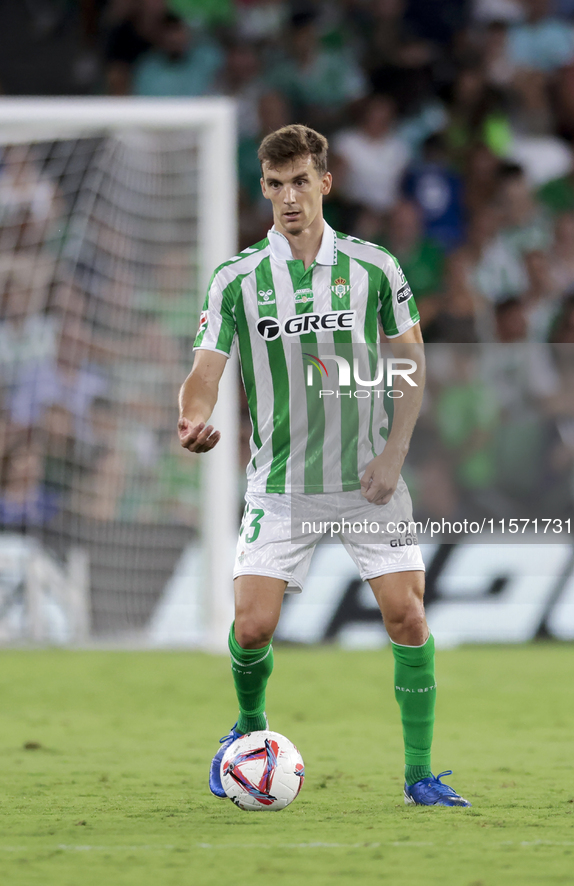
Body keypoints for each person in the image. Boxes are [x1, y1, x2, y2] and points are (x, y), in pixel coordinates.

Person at [177, 124, 471, 807]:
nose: (288, 197)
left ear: (324, 184)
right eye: (275, 185)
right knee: (251, 627)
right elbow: (203, 371)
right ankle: (248, 732)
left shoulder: (373, 267)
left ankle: (418, 775)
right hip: (280, 484)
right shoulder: (236, 279)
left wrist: (394, 454)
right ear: (263, 189)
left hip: (368, 480)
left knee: (407, 618)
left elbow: (410, 362)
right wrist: (191, 417)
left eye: (300, 182)